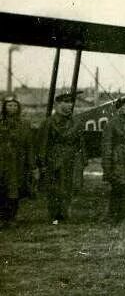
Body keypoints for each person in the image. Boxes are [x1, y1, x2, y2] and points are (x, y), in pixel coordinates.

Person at [38, 93, 84, 224]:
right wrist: (43, 162)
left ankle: (65, 213)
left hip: (72, 159)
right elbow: (43, 144)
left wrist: (82, 160)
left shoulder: (76, 122)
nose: (70, 105)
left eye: (71, 103)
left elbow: (81, 143)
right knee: (55, 188)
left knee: (69, 187)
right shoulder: (49, 122)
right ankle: (54, 216)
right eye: (66, 102)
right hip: (55, 159)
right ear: (58, 104)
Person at [0, 95, 35, 227]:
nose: (12, 108)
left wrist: (31, 164)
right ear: (4, 107)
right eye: (9, 105)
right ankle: (2, 218)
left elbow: (29, 145)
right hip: (2, 162)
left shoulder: (24, 124)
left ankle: (12, 217)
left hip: (17, 163)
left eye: (15, 105)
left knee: (15, 191)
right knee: (2, 190)